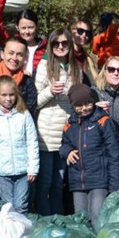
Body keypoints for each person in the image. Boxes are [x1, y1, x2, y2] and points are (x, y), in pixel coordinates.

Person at [34, 30, 85, 215]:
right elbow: (34, 102)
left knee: (60, 181)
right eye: (56, 43)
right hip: (46, 133)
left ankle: (56, 216)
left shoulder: (76, 68)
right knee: (45, 181)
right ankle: (45, 218)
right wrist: (50, 92)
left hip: (66, 132)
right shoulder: (44, 66)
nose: (61, 47)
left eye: (65, 43)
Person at [62, 84, 119, 226]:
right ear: (72, 106)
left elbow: (115, 155)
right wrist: (67, 152)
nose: (84, 108)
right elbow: (64, 144)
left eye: (87, 103)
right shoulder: (69, 124)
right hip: (78, 182)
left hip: (99, 181)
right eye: (79, 105)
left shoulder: (103, 121)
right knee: (80, 219)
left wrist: (114, 187)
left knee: (97, 217)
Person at [0, 76, 39, 215]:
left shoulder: (24, 114)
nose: (8, 98)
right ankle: (11, 234)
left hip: (23, 170)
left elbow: (32, 141)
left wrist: (33, 168)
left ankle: (23, 234)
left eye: (11, 94)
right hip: (2, 172)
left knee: (21, 205)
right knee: (8, 207)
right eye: (4, 95)